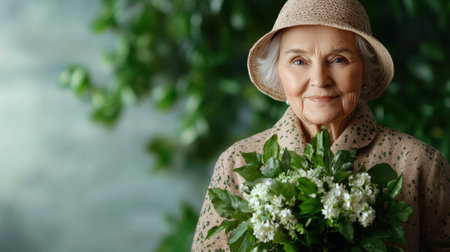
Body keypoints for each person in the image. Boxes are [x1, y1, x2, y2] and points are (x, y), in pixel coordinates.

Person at [192, 0, 450, 251]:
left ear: (365, 70)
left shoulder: (421, 165)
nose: (319, 80)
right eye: (299, 61)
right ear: (278, 71)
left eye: (338, 59)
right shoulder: (237, 164)